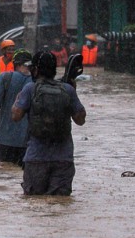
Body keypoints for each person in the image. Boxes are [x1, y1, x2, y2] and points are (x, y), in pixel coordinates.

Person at [12, 51, 87, 196]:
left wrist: (18, 99)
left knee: (35, 205)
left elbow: (16, 116)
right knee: (59, 206)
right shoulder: (67, 89)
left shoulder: (29, 89)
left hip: (36, 158)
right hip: (63, 159)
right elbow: (80, 120)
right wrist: (72, 91)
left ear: (35, 69)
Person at [0, 49, 33, 166]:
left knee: (6, 172)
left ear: (15, 64)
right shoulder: (37, 81)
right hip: (30, 140)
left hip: (6, 137)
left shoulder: (5, 78)